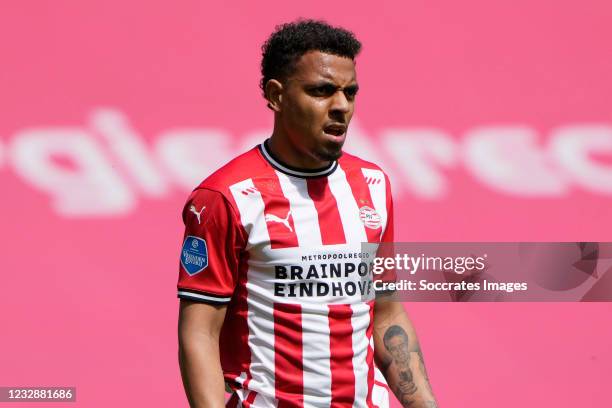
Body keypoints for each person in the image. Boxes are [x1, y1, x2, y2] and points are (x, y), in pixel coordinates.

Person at [177, 19, 438, 407]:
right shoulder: (225, 197)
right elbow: (199, 334)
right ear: (276, 95)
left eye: (350, 92)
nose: (340, 106)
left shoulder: (373, 184)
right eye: (321, 91)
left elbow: (386, 314)